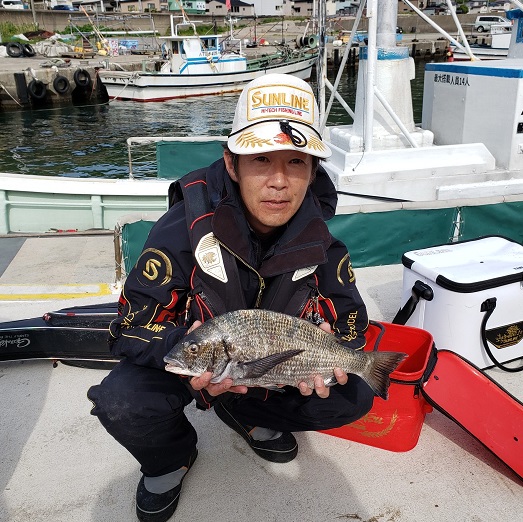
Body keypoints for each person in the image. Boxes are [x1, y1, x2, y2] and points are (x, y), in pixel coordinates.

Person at [87, 73, 375, 522]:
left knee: (353, 396)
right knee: (121, 400)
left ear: (313, 171)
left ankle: (245, 410)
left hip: (268, 367)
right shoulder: (180, 231)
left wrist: (328, 344)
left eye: (296, 162)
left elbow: (351, 325)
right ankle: (171, 458)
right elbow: (130, 326)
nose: (279, 181)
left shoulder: (324, 246)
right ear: (232, 163)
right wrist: (185, 345)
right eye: (261, 159)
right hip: (198, 358)